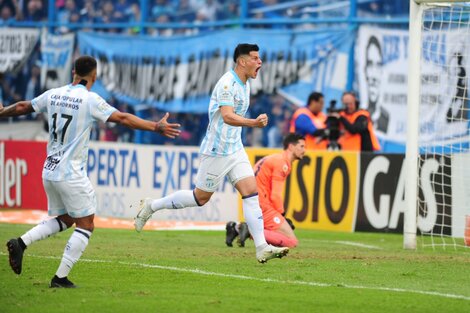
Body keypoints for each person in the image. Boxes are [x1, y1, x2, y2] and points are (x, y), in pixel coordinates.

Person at [1, 55, 181, 288]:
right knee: (86, 224)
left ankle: (21, 243)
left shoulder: (53, 93)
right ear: (94, 77)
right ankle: (60, 278)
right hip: (71, 172)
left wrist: (3, 112)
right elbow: (123, 118)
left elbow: (25, 106)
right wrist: (154, 126)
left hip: (49, 169)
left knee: (66, 219)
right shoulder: (90, 100)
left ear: (73, 71)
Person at [133, 43, 289, 263]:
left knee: (251, 193)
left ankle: (262, 247)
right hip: (217, 151)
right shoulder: (227, 84)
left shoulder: (245, 83)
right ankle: (152, 205)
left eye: (259, 58)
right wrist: (253, 123)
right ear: (242, 61)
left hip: (235, 148)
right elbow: (227, 116)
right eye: (255, 58)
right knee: (200, 198)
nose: (259, 62)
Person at [226, 133, 305, 248]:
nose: (304, 150)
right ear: (291, 147)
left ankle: (237, 228)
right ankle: (248, 230)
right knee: (291, 241)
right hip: (263, 204)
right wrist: (281, 215)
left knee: (276, 234)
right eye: (302, 146)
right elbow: (275, 195)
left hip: (254, 200)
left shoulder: (274, 158)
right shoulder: (282, 163)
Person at [364, 35, 389, 133]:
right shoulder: (358, 114)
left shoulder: (386, 118)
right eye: (370, 64)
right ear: (364, 69)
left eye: (378, 65)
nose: (374, 77)